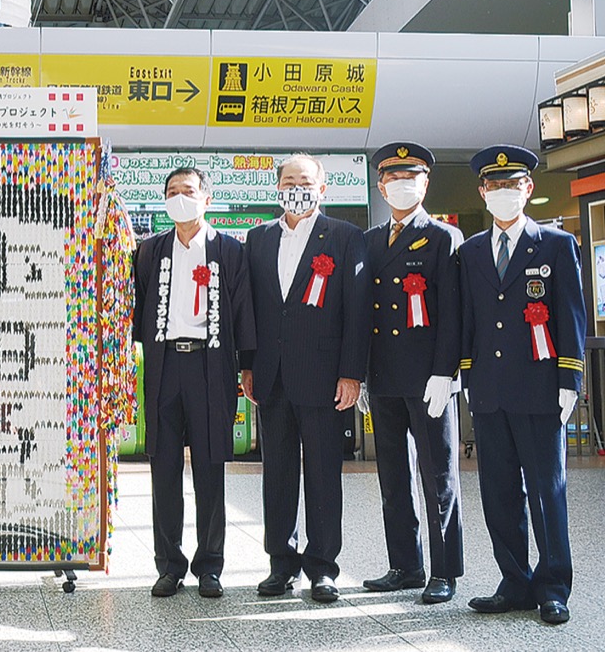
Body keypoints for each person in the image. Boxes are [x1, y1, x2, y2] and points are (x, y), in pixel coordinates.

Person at [459, 145, 584, 625]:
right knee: (499, 492)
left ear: (528, 189)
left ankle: (553, 587)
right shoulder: (471, 251)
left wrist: (570, 377)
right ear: (482, 192)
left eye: (511, 185)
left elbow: (570, 315)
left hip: (539, 389)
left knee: (547, 491)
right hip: (490, 391)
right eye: (494, 186)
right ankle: (513, 581)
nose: (503, 192)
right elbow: (470, 319)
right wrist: (466, 375)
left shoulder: (555, 244)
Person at [241, 153, 369, 603]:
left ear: (322, 188)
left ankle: (322, 567)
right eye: (289, 180)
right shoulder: (257, 238)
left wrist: (352, 374)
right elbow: (251, 310)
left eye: (306, 180)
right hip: (271, 378)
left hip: (323, 378)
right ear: (278, 188)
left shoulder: (346, 237)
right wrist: (247, 365)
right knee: (277, 475)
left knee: (322, 474)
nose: (297, 187)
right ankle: (281, 563)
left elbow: (357, 311)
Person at [133, 167, 256, 599]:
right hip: (164, 367)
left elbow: (242, 310)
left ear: (206, 198)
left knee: (209, 467)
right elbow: (137, 308)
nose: (179, 197)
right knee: (163, 467)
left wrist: (248, 366)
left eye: (188, 190)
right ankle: (169, 565)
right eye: (172, 191)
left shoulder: (228, 250)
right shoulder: (150, 251)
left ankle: (210, 565)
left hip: (210, 365)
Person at [360, 143, 463, 604]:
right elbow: (363, 312)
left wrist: (446, 372)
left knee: (438, 476)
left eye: (411, 177)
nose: (401, 185)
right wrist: (362, 373)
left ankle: (444, 571)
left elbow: (453, 313)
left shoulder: (443, 237)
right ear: (381, 187)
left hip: (428, 379)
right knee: (393, 476)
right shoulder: (369, 240)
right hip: (383, 376)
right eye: (392, 178)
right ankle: (405, 564)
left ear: (425, 184)